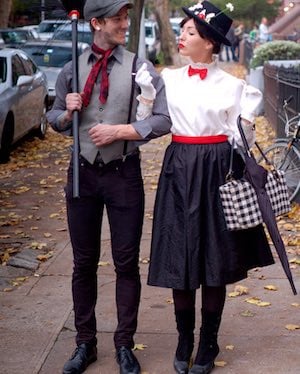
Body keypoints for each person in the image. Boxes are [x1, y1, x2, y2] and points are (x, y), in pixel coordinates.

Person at [147, 2, 275, 374]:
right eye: (183, 30)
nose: (182, 37)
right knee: (180, 254)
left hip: (217, 170)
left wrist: (245, 125)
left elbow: (242, 140)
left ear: (209, 42)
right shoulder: (167, 78)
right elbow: (150, 120)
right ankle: (184, 337)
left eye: (189, 31)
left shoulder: (234, 87)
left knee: (215, 258)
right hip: (179, 168)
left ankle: (208, 340)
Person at [46, 0, 171, 373]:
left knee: (126, 263)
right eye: (117, 18)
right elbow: (52, 117)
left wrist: (123, 130)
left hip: (123, 174)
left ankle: (124, 345)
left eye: (126, 17)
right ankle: (85, 344)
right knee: (83, 264)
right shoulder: (72, 67)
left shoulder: (139, 67)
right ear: (96, 22)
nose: (124, 24)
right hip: (81, 175)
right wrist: (66, 112)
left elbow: (163, 119)